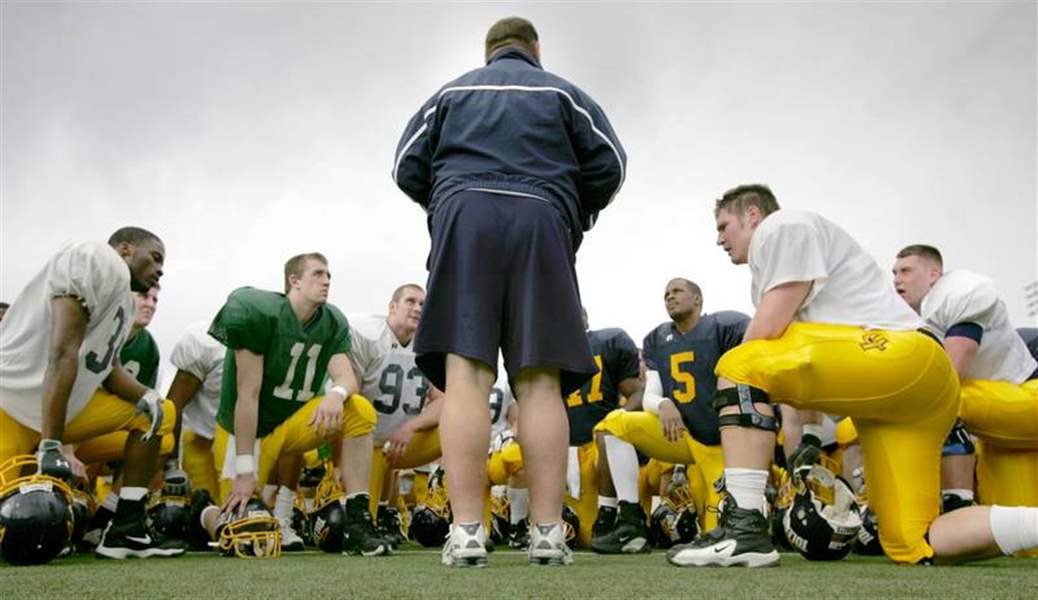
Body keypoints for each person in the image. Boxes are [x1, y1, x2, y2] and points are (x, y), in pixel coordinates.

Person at [667, 184, 1038, 568]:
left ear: (753, 216)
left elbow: (763, 340)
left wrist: (732, 391)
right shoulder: (791, 261)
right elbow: (799, 369)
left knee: (739, 360)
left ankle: (744, 528)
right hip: (912, 392)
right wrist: (809, 440)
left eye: (724, 226)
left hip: (901, 356)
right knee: (916, 540)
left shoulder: (781, 226)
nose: (719, 239)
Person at [393, 16, 626, 567]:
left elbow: (406, 166)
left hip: (465, 215)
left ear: (489, 50)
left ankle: (468, 531)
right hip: (542, 217)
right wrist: (571, 212)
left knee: (466, 377)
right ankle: (547, 533)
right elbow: (611, 166)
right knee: (540, 382)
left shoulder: (453, 91)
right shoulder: (564, 93)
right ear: (534, 49)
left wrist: (449, 205)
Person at [0, 227, 181, 559]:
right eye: (155, 258)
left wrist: (146, 395)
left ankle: (125, 528)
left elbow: (107, 369)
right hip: (10, 405)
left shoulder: (123, 304)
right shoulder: (96, 257)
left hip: (55, 414)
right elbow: (62, 352)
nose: (160, 271)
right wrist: (53, 445)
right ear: (125, 249)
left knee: (159, 415)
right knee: (10, 526)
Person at [206, 252, 387, 556]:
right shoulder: (257, 312)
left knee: (358, 409)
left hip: (290, 427)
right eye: (317, 274)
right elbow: (247, 395)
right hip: (246, 433)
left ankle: (358, 522)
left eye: (328, 275)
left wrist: (335, 394)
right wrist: (245, 470)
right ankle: (203, 512)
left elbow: (347, 378)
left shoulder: (331, 321)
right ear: (294, 281)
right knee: (240, 533)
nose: (326, 280)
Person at [594, 280, 747, 554]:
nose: (669, 297)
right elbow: (651, 392)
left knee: (718, 531)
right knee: (614, 424)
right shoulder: (657, 339)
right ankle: (631, 522)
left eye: (677, 291)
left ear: (698, 299)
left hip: (719, 444)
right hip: (680, 434)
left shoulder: (724, 327)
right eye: (666, 294)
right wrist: (664, 404)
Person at [893, 245, 1037, 514]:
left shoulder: (958, 293)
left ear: (934, 274)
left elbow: (950, 377)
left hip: (1026, 394)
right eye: (894, 273)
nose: (897, 279)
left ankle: (955, 506)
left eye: (906, 271)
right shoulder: (914, 318)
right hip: (1000, 420)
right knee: (1020, 541)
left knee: (939, 402)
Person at [348, 283, 443, 548]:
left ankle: (452, 509)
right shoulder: (368, 335)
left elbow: (443, 402)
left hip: (402, 443)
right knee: (361, 521)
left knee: (459, 424)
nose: (417, 308)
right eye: (411, 301)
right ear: (392, 306)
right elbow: (351, 396)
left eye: (423, 304)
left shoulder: (429, 346)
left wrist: (412, 426)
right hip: (363, 445)